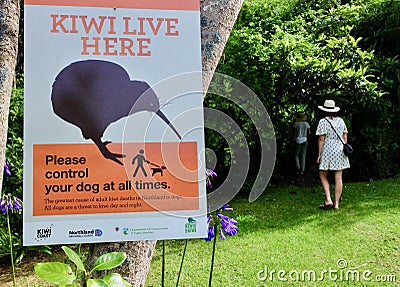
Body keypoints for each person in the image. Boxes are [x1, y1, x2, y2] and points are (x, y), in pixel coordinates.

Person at [316, 100, 350, 209]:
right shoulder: (341, 121)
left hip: (328, 149)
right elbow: (345, 136)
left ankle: (328, 199)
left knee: (322, 174)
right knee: (338, 177)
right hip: (340, 149)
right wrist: (344, 146)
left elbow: (321, 139)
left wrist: (319, 154)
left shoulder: (323, 121)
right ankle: (336, 204)